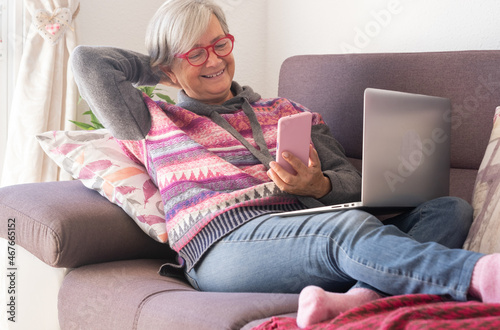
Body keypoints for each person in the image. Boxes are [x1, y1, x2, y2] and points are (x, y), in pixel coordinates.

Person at [71, 0, 500, 327]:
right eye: (196, 54)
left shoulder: (289, 111)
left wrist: (318, 187)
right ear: (167, 68)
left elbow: (353, 184)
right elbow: (88, 62)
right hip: (222, 249)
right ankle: (482, 276)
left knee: (449, 209)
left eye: (220, 44)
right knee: (346, 231)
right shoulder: (151, 119)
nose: (216, 60)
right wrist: (166, 65)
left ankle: (362, 298)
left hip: (311, 226)